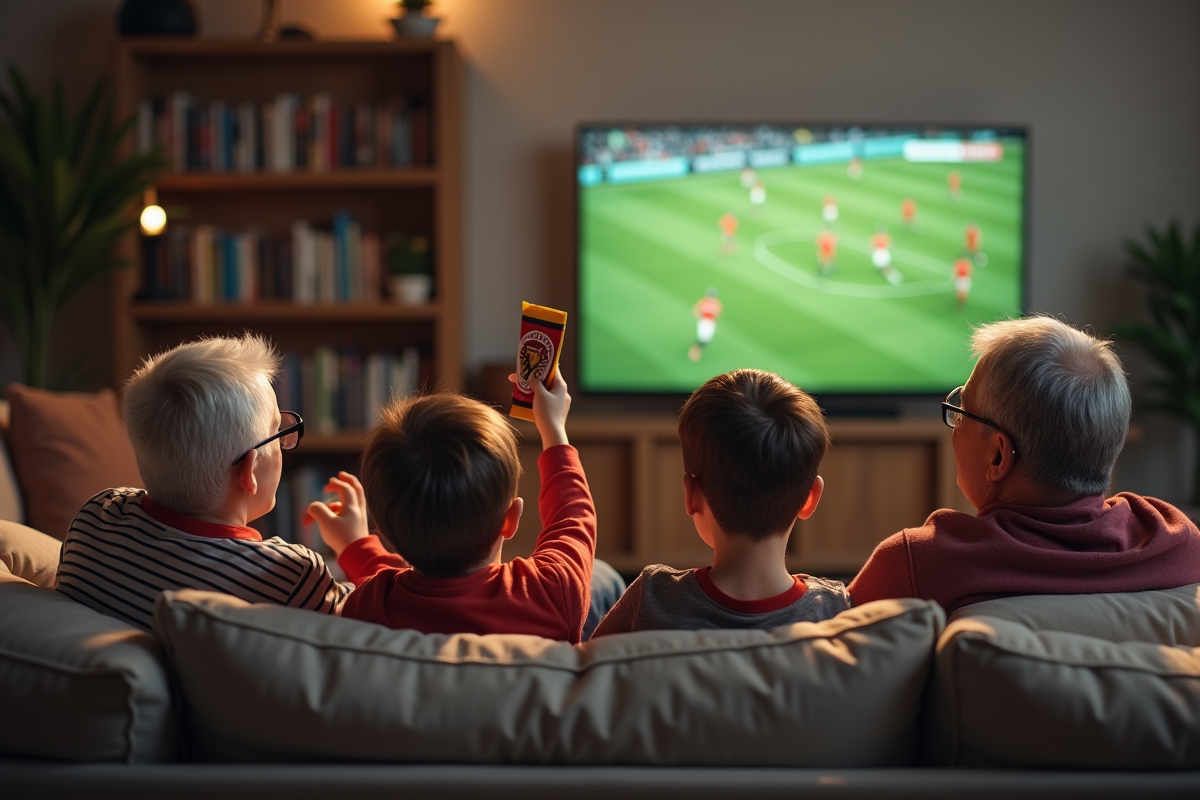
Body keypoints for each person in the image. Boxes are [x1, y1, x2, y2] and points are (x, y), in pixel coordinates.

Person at [848, 316, 1200, 614]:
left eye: (962, 411)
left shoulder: (916, 566)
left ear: (998, 456)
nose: (955, 424)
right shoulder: (1177, 545)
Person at [55, 335, 351, 631]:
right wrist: (355, 546)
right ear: (249, 471)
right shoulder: (290, 576)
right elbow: (370, 623)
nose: (284, 442)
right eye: (278, 432)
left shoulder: (95, 517)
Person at [308, 375, 609, 643]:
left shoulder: (366, 607)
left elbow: (390, 582)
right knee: (604, 578)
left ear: (383, 530)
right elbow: (573, 519)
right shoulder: (552, 591)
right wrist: (553, 428)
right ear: (510, 519)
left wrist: (355, 545)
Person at [592, 369, 849, 637]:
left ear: (692, 494)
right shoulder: (837, 612)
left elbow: (591, 659)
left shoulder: (650, 599)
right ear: (811, 498)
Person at [689, 287, 724, 362]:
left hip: (708, 321)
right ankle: (694, 352)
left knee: (705, 339)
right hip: (706, 321)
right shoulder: (711, 302)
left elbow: (719, 312)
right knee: (702, 338)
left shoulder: (707, 302)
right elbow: (719, 312)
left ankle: (696, 351)